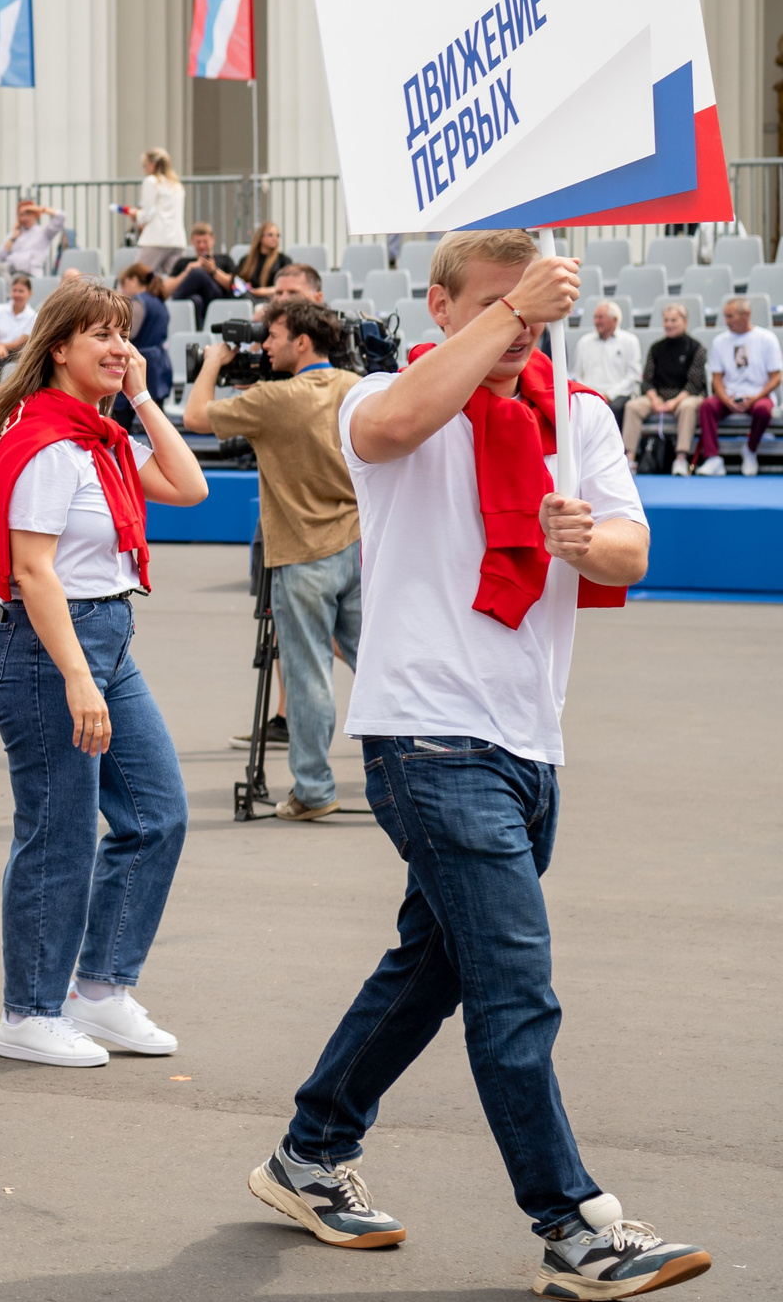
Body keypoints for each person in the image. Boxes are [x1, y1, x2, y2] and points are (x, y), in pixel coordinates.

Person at [250, 230, 712, 1299]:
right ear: (442, 304)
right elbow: (408, 417)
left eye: (532, 307)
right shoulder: (384, 398)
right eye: (498, 304)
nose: (521, 326)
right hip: (426, 734)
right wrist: (515, 311)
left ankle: (308, 1148)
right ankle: (573, 1222)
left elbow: (631, 551)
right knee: (513, 983)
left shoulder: (578, 414)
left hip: (527, 742)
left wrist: (578, 543)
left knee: (434, 964)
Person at [0, 279, 207, 1068]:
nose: (117, 347)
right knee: (58, 834)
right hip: (48, 651)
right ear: (59, 347)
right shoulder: (44, 442)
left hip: (104, 640)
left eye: (124, 334)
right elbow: (34, 572)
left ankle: (98, 989)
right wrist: (76, 677)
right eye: (99, 334)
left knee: (158, 813)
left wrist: (141, 399)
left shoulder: (97, 439)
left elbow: (190, 485)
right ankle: (29, 1009)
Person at [183, 299, 362, 820]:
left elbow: (195, 416)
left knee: (307, 677)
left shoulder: (274, 399)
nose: (264, 345)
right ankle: (406, 772)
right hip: (358, 545)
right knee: (379, 666)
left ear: (302, 342)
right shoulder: (355, 386)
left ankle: (313, 789)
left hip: (302, 553)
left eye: (274, 336)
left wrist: (215, 361)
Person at [696, 295, 779, 476]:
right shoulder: (720, 341)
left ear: (746, 314)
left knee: (764, 410)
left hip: (758, 395)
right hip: (730, 395)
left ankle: (750, 450)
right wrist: (726, 399)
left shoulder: (767, 339)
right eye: (725, 316)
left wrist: (755, 398)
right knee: (707, 406)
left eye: (730, 316)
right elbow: (716, 378)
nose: (726, 321)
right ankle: (712, 458)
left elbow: (776, 377)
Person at [621, 302, 706, 473]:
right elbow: (647, 381)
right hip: (658, 397)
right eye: (666, 320)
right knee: (632, 406)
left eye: (673, 320)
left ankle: (681, 458)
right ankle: (628, 458)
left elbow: (694, 383)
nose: (669, 324)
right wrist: (655, 399)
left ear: (685, 321)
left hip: (685, 397)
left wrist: (674, 402)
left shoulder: (696, 348)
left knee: (688, 407)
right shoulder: (656, 348)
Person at [571, 299, 642, 425]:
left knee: (614, 409)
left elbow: (633, 376)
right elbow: (577, 374)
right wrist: (590, 393)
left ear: (614, 319)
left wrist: (609, 395)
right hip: (589, 394)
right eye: (595, 317)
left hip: (618, 395)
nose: (596, 321)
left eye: (600, 317)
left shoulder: (630, 341)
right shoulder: (584, 342)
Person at [118, 148, 187, 276]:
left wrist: (135, 214)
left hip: (156, 239)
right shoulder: (177, 185)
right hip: (177, 241)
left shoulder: (151, 181)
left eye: (144, 165)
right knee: (171, 284)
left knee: (135, 277)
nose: (144, 169)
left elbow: (147, 214)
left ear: (153, 165)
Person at [117, 264, 172, 405]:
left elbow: (129, 333)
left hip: (141, 365)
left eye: (124, 283)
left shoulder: (138, 302)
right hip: (159, 364)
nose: (123, 289)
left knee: (121, 417)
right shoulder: (160, 301)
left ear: (134, 280)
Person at [168, 223, 242, 316]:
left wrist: (213, 270)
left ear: (212, 239)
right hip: (190, 304)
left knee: (199, 273)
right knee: (196, 300)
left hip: (217, 301)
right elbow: (166, 288)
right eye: (198, 242)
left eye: (205, 242)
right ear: (192, 242)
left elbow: (235, 286)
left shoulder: (225, 259)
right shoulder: (183, 262)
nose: (202, 246)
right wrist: (187, 272)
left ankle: (172, 306)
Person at [0, 274, 39, 375]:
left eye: (21, 291)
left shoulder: (34, 316)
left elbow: (20, 343)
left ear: (30, 293)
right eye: (14, 290)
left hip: (16, 353)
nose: (16, 294)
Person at [0, 200, 66, 279]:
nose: (25, 218)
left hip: (32, 276)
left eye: (28, 214)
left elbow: (61, 217)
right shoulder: (14, 234)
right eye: (22, 215)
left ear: (35, 214)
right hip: (11, 276)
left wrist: (39, 209)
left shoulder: (43, 233)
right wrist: (12, 238)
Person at [235, 221, 288, 301]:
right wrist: (245, 286)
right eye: (270, 235)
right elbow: (236, 281)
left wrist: (263, 291)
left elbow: (287, 286)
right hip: (248, 297)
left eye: (278, 236)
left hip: (272, 299)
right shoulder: (246, 260)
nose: (275, 238)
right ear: (260, 237)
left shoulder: (283, 260)